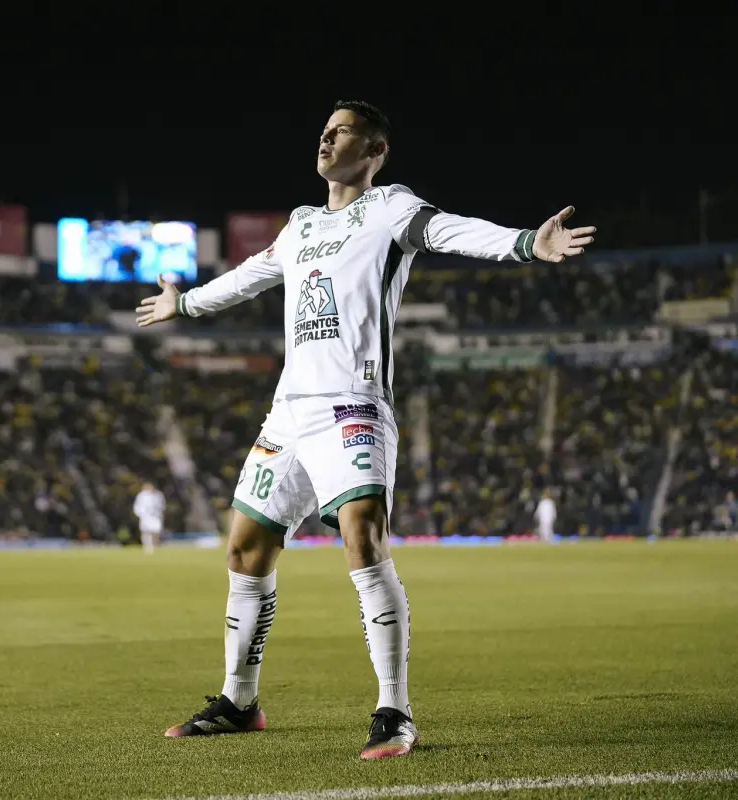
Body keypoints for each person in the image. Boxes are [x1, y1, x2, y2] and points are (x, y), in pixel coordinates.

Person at [137, 100, 594, 758]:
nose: (325, 138)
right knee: (244, 549)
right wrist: (184, 302)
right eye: (323, 130)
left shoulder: (391, 210)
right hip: (289, 411)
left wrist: (527, 243)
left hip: (353, 403)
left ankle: (395, 711)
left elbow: (452, 231)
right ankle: (240, 701)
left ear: (376, 149)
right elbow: (248, 278)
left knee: (362, 540)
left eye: (341, 130)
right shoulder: (298, 227)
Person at [132, 482, 166, 554]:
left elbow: (162, 505)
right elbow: (137, 506)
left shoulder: (158, 495)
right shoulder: (141, 495)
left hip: (155, 516)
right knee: (146, 532)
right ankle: (147, 546)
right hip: (145, 517)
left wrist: (160, 513)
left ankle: (155, 545)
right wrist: (140, 514)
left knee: (156, 531)